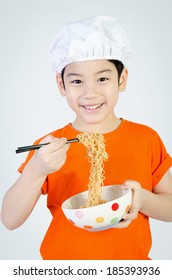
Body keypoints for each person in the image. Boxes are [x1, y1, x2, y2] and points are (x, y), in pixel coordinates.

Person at [1, 15, 172, 260]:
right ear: (62, 85)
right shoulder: (49, 147)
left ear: (121, 80)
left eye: (102, 78)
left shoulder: (146, 138)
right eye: (77, 81)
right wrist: (35, 170)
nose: (90, 93)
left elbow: (170, 208)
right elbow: (9, 220)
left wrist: (141, 199)